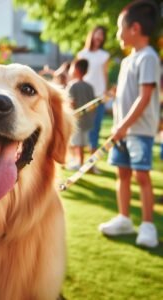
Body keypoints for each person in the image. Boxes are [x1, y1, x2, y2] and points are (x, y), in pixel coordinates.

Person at [99, 0, 160, 248]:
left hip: (138, 130)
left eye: (119, 28)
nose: (117, 34)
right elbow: (129, 93)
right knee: (121, 173)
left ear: (134, 28)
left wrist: (123, 126)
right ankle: (124, 218)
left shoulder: (148, 57)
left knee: (141, 176)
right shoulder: (127, 61)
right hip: (121, 130)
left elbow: (145, 97)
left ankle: (148, 225)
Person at [78, 26, 110, 174]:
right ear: (92, 35)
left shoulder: (104, 55)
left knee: (95, 130)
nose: (100, 37)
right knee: (81, 128)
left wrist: (105, 93)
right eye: (97, 33)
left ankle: (91, 164)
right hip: (84, 95)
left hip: (98, 97)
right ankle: (78, 161)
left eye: (102, 35)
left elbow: (105, 75)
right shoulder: (82, 54)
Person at [65, 59, 95, 169]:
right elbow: (93, 104)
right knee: (82, 142)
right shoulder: (89, 87)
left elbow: (71, 103)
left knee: (77, 143)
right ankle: (80, 161)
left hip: (76, 120)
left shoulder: (72, 86)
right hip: (87, 120)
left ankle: (79, 162)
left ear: (76, 69)